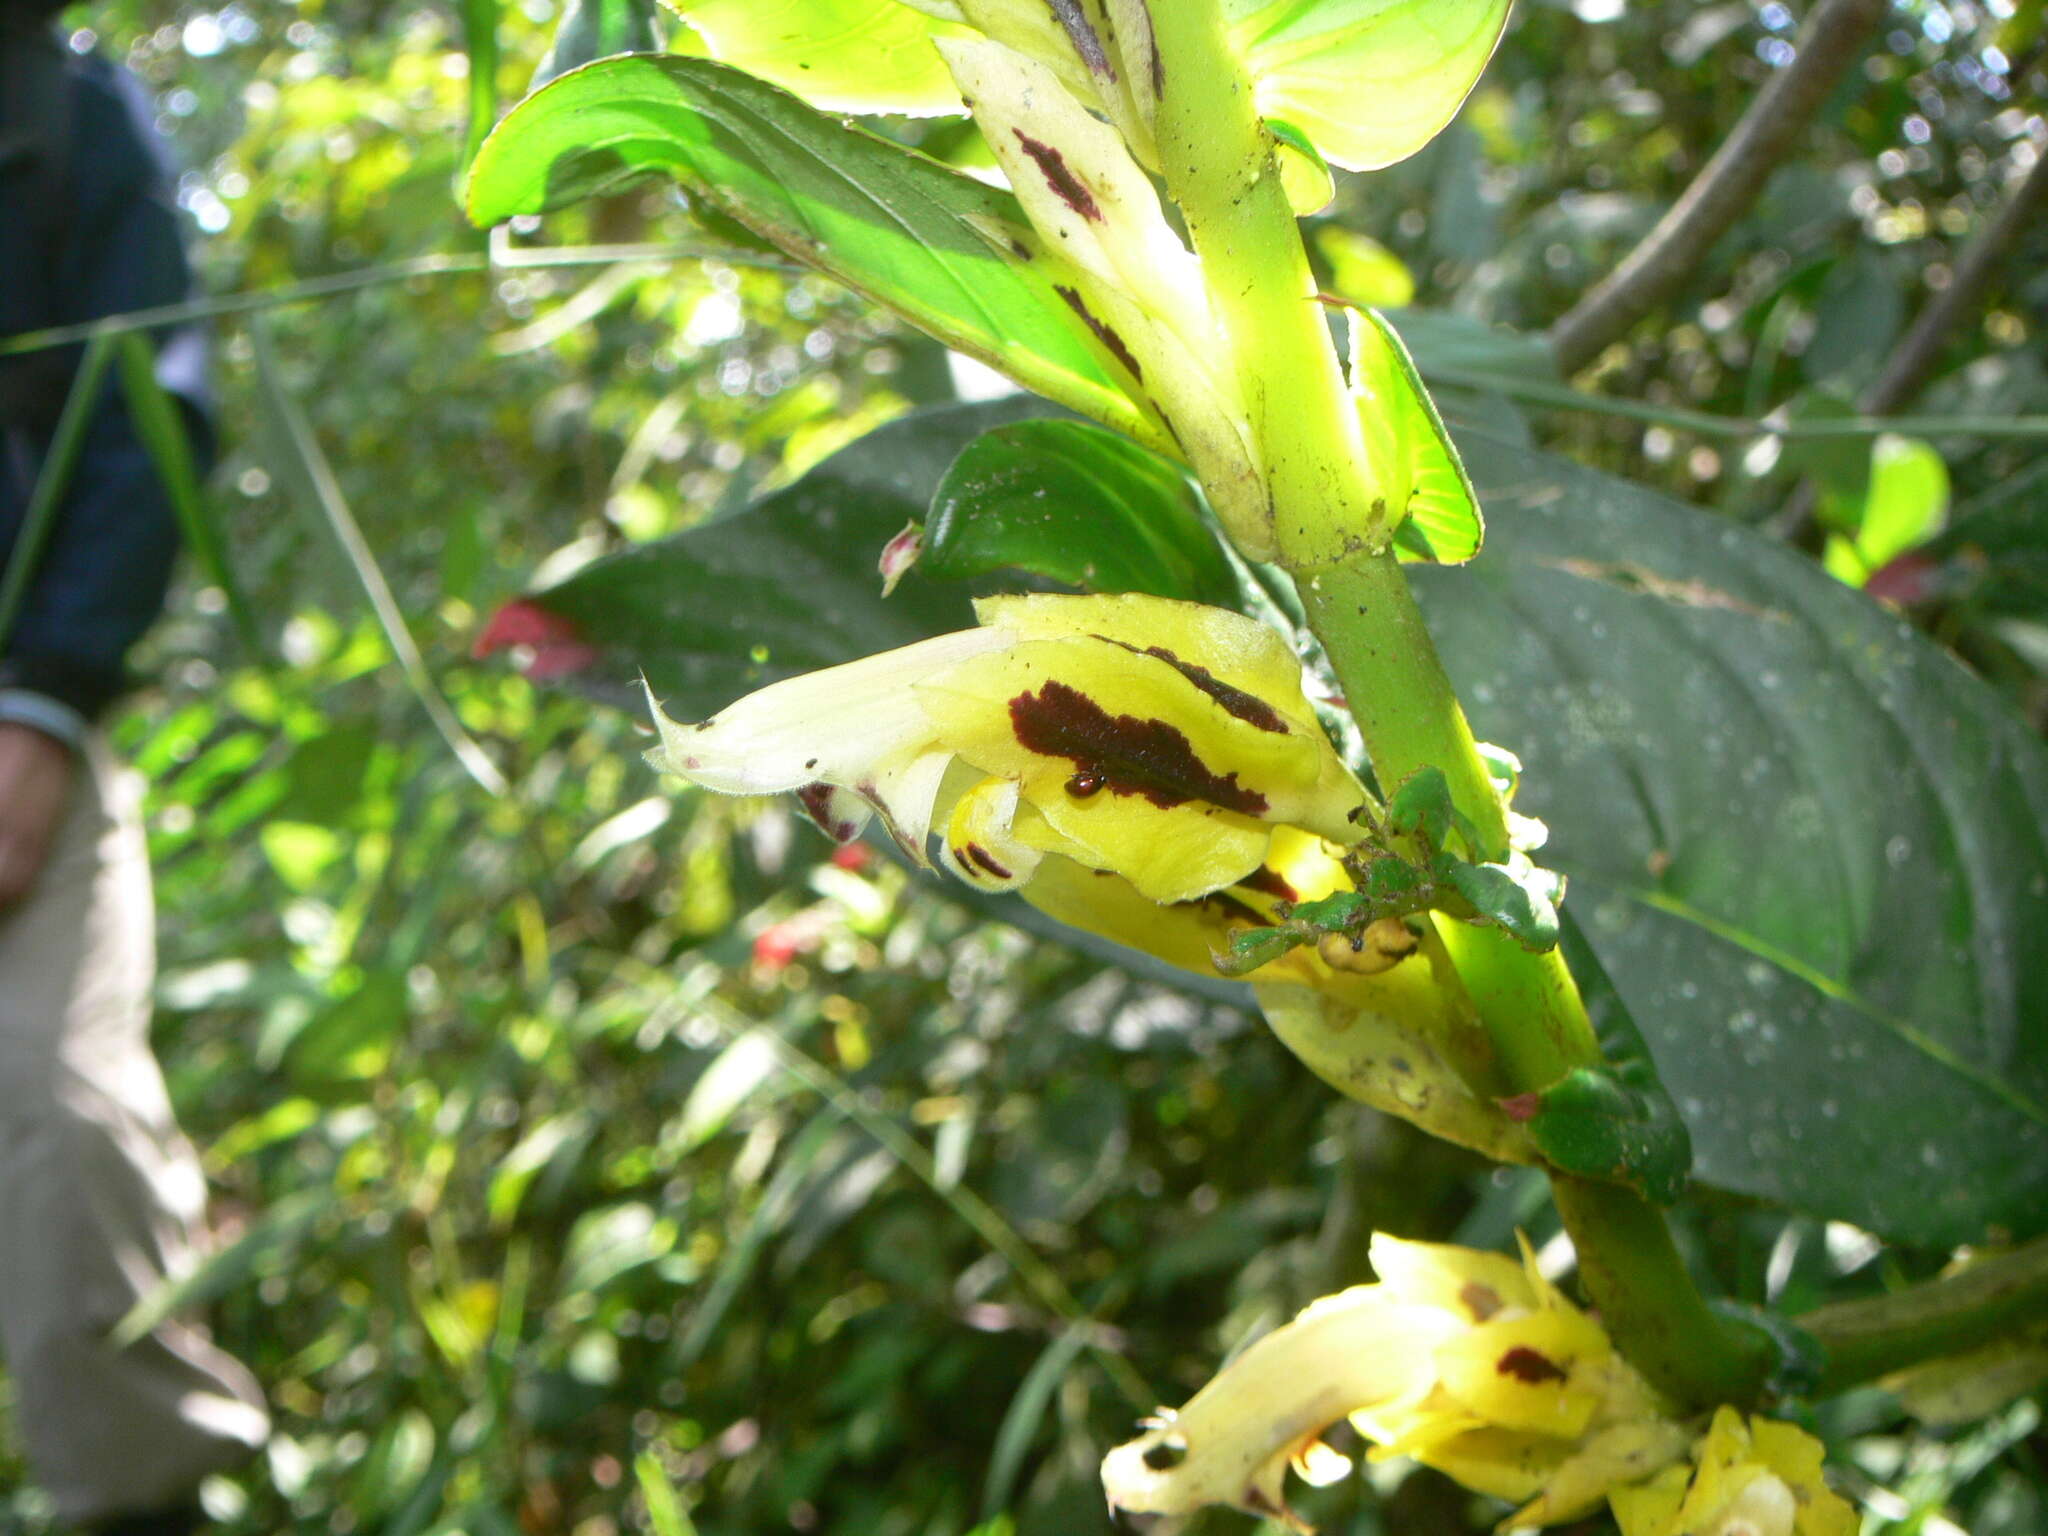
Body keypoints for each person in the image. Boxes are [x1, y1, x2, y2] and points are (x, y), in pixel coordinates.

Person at [0, 7, 270, 1533]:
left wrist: (43, 715)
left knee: (60, 1129)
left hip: (17, 715)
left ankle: (155, 1505)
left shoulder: (61, 114)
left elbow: (143, 410)